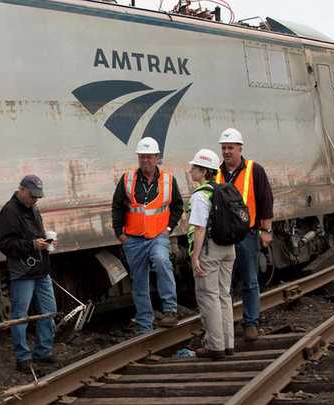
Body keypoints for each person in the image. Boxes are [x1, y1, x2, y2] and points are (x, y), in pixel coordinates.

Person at [112, 137, 185, 332]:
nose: (145, 161)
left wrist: (168, 228)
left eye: (149, 157)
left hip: (157, 236)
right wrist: (119, 233)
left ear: (157, 158)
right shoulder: (128, 179)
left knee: (162, 261)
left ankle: (170, 310)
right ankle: (145, 324)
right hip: (133, 239)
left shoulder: (168, 180)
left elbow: (178, 206)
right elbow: (117, 206)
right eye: (142, 157)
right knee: (139, 281)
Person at [217, 128, 274, 341]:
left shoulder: (254, 170)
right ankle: (226, 325)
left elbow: (266, 201)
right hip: (222, 238)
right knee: (225, 283)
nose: (227, 151)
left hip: (247, 235)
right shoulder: (216, 172)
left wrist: (266, 230)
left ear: (240, 149)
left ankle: (250, 322)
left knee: (250, 280)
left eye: (231, 147)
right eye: (224, 148)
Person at [0, 175, 58, 372]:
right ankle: (23, 357)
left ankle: (43, 351)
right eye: (32, 196)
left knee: (49, 310)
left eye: (37, 197)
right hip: (23, 271)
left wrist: (45, 242)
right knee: (20, 316)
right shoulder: (9, 211)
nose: (35, 200)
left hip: (40, 268)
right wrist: (32, 245)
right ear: (21, 190)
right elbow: (5, 245)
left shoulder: (32, 208)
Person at [188, 149, 235, 360]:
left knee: (209, 297)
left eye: (194, 168)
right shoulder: (223, 189)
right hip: (228, 248)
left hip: (210, 250)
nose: (190, 171)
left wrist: (195, 256)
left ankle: (215, 346)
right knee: (224, 295)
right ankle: (228, 343)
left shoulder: (200, 195)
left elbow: (199, 229)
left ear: (204, 171)